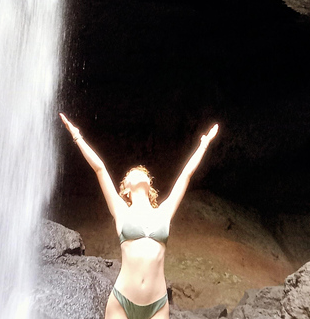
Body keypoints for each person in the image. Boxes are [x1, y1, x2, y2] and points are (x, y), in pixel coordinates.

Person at [59, 113, 219, 319]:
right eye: (132, 172)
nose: (140, 171)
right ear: (125, 189)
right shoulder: (120, 210)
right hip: (122, 301)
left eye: (143, 171)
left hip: (158, 304)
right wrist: (77, 136)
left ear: (149, 184)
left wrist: (204, 145)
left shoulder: (164, 211)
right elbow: (99, 168)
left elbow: (186, 175)